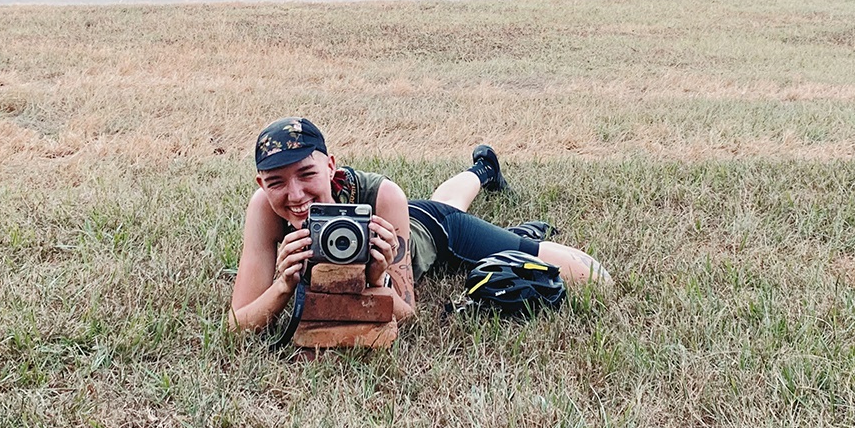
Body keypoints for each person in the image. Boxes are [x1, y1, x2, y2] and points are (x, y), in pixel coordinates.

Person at [229, 116, 613, 331]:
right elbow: (237, 323)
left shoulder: (382, 195)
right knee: (447, 197)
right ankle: (484, 169)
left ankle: (513, 230)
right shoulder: (265, 206)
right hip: (412, 219)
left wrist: (377, 279)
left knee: (591, 276)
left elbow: (406, 312)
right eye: (277, 181)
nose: (294, 195)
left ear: (331, 166)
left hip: (434, 232)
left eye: (306, 174)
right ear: (262, 184)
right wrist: (283, 285)